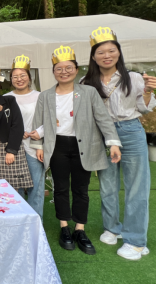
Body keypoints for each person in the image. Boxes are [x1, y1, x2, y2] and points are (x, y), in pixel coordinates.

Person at [30, 46, 122, 256]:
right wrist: (39, 146)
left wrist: (113, 143)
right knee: (60, 188)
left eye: (68, 68)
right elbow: (38, 122)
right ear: (54, 72)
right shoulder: (46, 95)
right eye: (59, 69)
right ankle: (64, 227)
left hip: (84, 145)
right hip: (57, 146)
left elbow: (103, 118)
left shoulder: (88, 92)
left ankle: (80, 229)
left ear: (76, 69)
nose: (64, 72)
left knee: (81, 189)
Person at [81, 27, 156, 261]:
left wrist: (148, 91)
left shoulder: (133, 78)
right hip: (101, 134)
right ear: (93, 56)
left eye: (111, 51)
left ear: (118, 52)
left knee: (137, 186)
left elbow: (145, 108)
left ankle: (135, 241)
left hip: (130, 130)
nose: (107, 55)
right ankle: (112, 228)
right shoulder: (87, 82)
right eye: (101, 52)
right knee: (107, 184)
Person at [0, 64, 33, 191]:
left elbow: (17, 125)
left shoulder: (9, 100)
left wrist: (11, 151)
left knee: (14, 187)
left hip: (12, 144)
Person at [4, 56, 45, 218]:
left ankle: (36, 221)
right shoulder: (6, 98)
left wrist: (39, 134)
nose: (19, 79)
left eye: (22, 75)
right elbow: (3, 122)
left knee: (36, 185)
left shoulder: (40, 96)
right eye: (15, 76)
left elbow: (50, 120)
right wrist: (15, 131)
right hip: (13, 147)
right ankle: (19, 220)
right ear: (11, 79)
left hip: (34, 145)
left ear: (29, 77)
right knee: (16, 185)